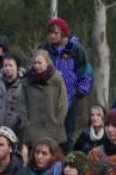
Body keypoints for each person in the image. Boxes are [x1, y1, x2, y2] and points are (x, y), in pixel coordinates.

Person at [39, 17, 93, 150]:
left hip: (70, 98)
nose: (52, 36)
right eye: (50, 33)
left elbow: (86, 70)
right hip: (48, 98)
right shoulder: (44, 49)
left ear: (63, 33)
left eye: (55, 33)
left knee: (67, 135)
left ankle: (65, 165)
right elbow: (36, 68)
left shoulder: (75, 49)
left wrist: (81, 90)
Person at [23, 49, 67, 149]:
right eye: (34, 63)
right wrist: (27, 122)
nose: (36, 66)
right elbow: (22, 103)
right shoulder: (27, 81)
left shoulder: (57, 79)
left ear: (47, 63)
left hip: (53, 127)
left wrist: (58, 122)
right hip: (33, 128)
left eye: (39, 63)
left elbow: (63, 103)